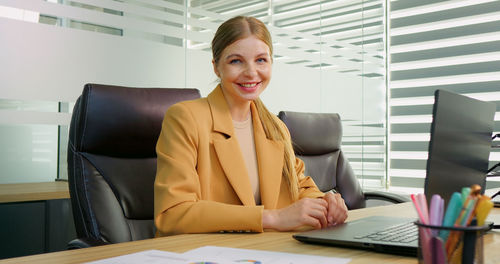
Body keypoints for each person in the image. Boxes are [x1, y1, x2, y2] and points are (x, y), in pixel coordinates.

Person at [154, 16, 348, 236]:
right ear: (216, 67)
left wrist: (326, 203)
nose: (251, 72)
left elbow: (300, 188)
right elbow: (173, 212)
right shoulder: (185, 118)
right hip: (204, 253)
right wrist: (272, 218)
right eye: (236, 61)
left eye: (261, 60)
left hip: (263, 251)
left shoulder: (274, 127)